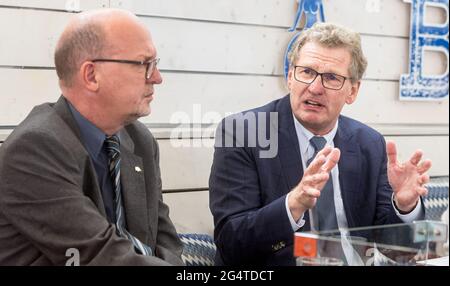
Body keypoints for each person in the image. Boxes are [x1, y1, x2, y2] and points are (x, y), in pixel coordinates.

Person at [209, 22, 432, 266]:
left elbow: (394, 250)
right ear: (290, 77)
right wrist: (293, 204)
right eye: (306, 72)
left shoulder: (369, 143)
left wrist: (404, 205)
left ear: (353, 91)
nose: (315, 88)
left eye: (332, 78)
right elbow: (232, 243)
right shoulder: (244, 132)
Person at [0, 9, 183, 266]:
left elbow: (167, 242)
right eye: (144, 64)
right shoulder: (34, 149)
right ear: (91, 75)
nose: (157, 77)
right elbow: (101, 256)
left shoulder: (139, 139)